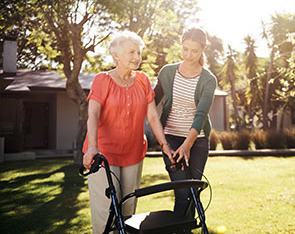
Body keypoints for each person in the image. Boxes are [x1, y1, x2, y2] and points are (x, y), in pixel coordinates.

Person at [82, 31, 173, 234]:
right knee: (107, 211)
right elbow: (93, 115)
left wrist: (165, 145)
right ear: (116, 56)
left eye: (139, 53)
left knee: (128, 211)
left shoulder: (142, 80)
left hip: (133, 152)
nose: (136, 57)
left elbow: (152, 117)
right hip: (103, 153)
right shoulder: (102, 80)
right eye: (131, 52)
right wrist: (93, 148)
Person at [154, 28, 217, 220]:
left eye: (194, 51)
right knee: (182, 192)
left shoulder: (208, 80)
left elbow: (201, 115)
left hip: (197, 142)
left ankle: (184, 229)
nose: (189, 55)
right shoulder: (167, 72)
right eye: (185, 49)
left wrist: (188, 144)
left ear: (202, 50)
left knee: (192, 193)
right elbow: (150, 102)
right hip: (171, 139)